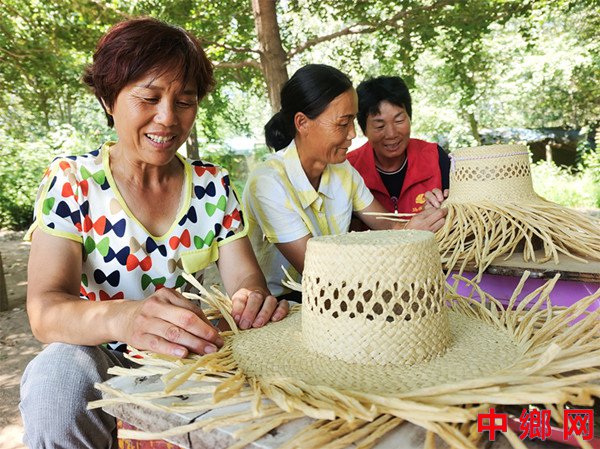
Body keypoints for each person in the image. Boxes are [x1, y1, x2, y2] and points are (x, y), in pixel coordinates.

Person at [19, 17, 288, 448]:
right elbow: (45, 311)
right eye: (149, 97)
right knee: (57, 378)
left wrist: (252, 303)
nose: (167, 118)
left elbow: (246, 286)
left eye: (185, 101)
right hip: (102, 352)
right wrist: (127, 318)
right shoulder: (73, 181)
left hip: (188, 354)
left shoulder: (213, 187)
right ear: (109, 99)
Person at [242, 64, 447, 301]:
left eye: (352, 122)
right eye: (343, 123)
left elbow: (390, 227)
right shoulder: (268, 183)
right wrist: (406, 238)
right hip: (284, 302)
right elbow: (317, 270)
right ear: (302, 123)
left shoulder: (343, 170)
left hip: (344, 292)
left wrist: (426, 219)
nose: (352, 134)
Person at [347, 76, 450, 218]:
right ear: (364, 129)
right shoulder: (349, 168)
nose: (391, 134)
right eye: (379, 125)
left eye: (399, 120)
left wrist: (445, 207)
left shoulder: (435, 156)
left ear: (410, 118)